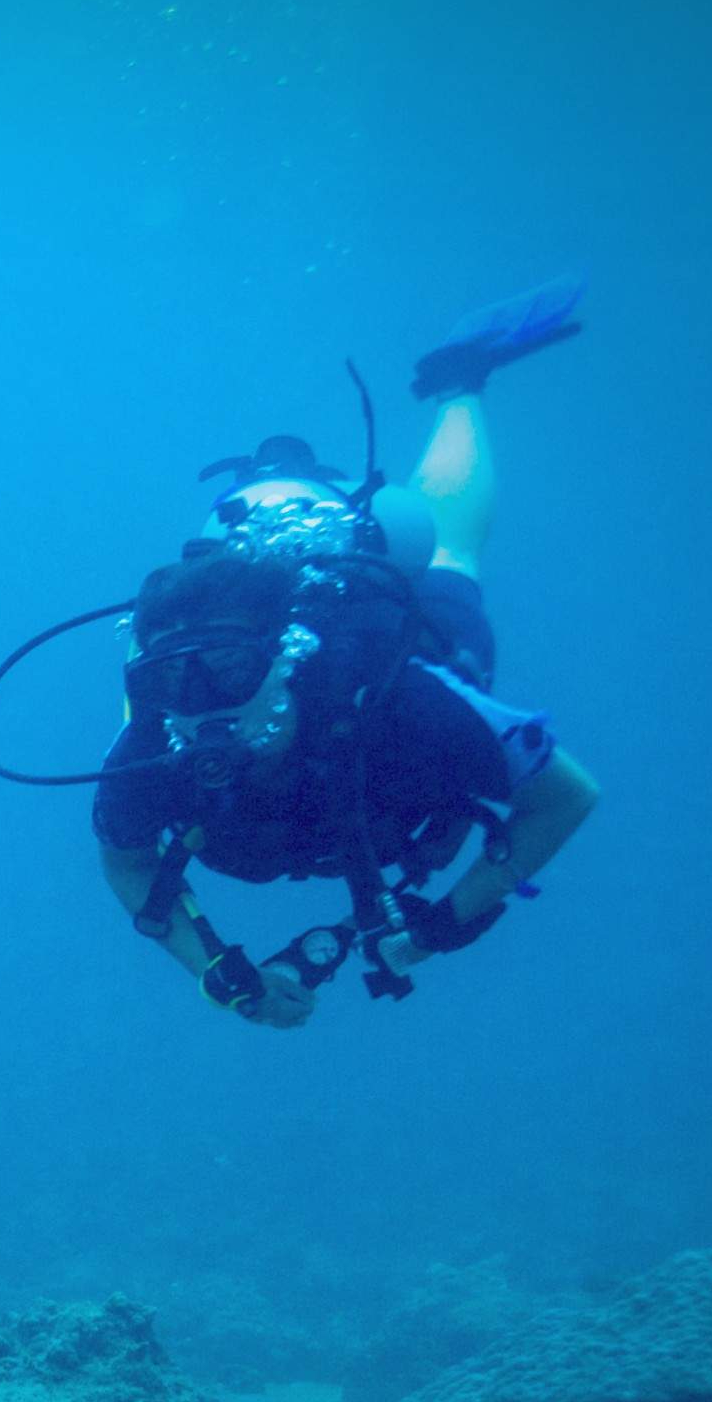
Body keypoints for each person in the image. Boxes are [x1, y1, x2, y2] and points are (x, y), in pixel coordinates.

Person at [91, 279, 603, 1025]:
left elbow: (566, 794)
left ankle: (459, 383)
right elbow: (126, 860)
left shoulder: (397, 698)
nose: (202, 700)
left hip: (382, 672)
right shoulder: (149, 746)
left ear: (286, 657)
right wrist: (223, 976)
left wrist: (444, 925)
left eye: (230, 669)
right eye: (173, 676)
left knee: (450, 554)